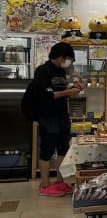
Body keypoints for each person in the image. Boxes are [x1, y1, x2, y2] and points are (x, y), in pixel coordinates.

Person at [32, 42, 84, 196]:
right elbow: (45, 95)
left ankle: (59, 181)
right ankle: (45, 184)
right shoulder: (42, 71)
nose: (68, 62)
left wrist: (74, 88)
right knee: (47, 149)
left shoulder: (61, 72)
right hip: (48, 116)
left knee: (63, 148)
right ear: (60, 56)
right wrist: (68, 92)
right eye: (68, 58)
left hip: (62, 114)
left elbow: (61, 90)